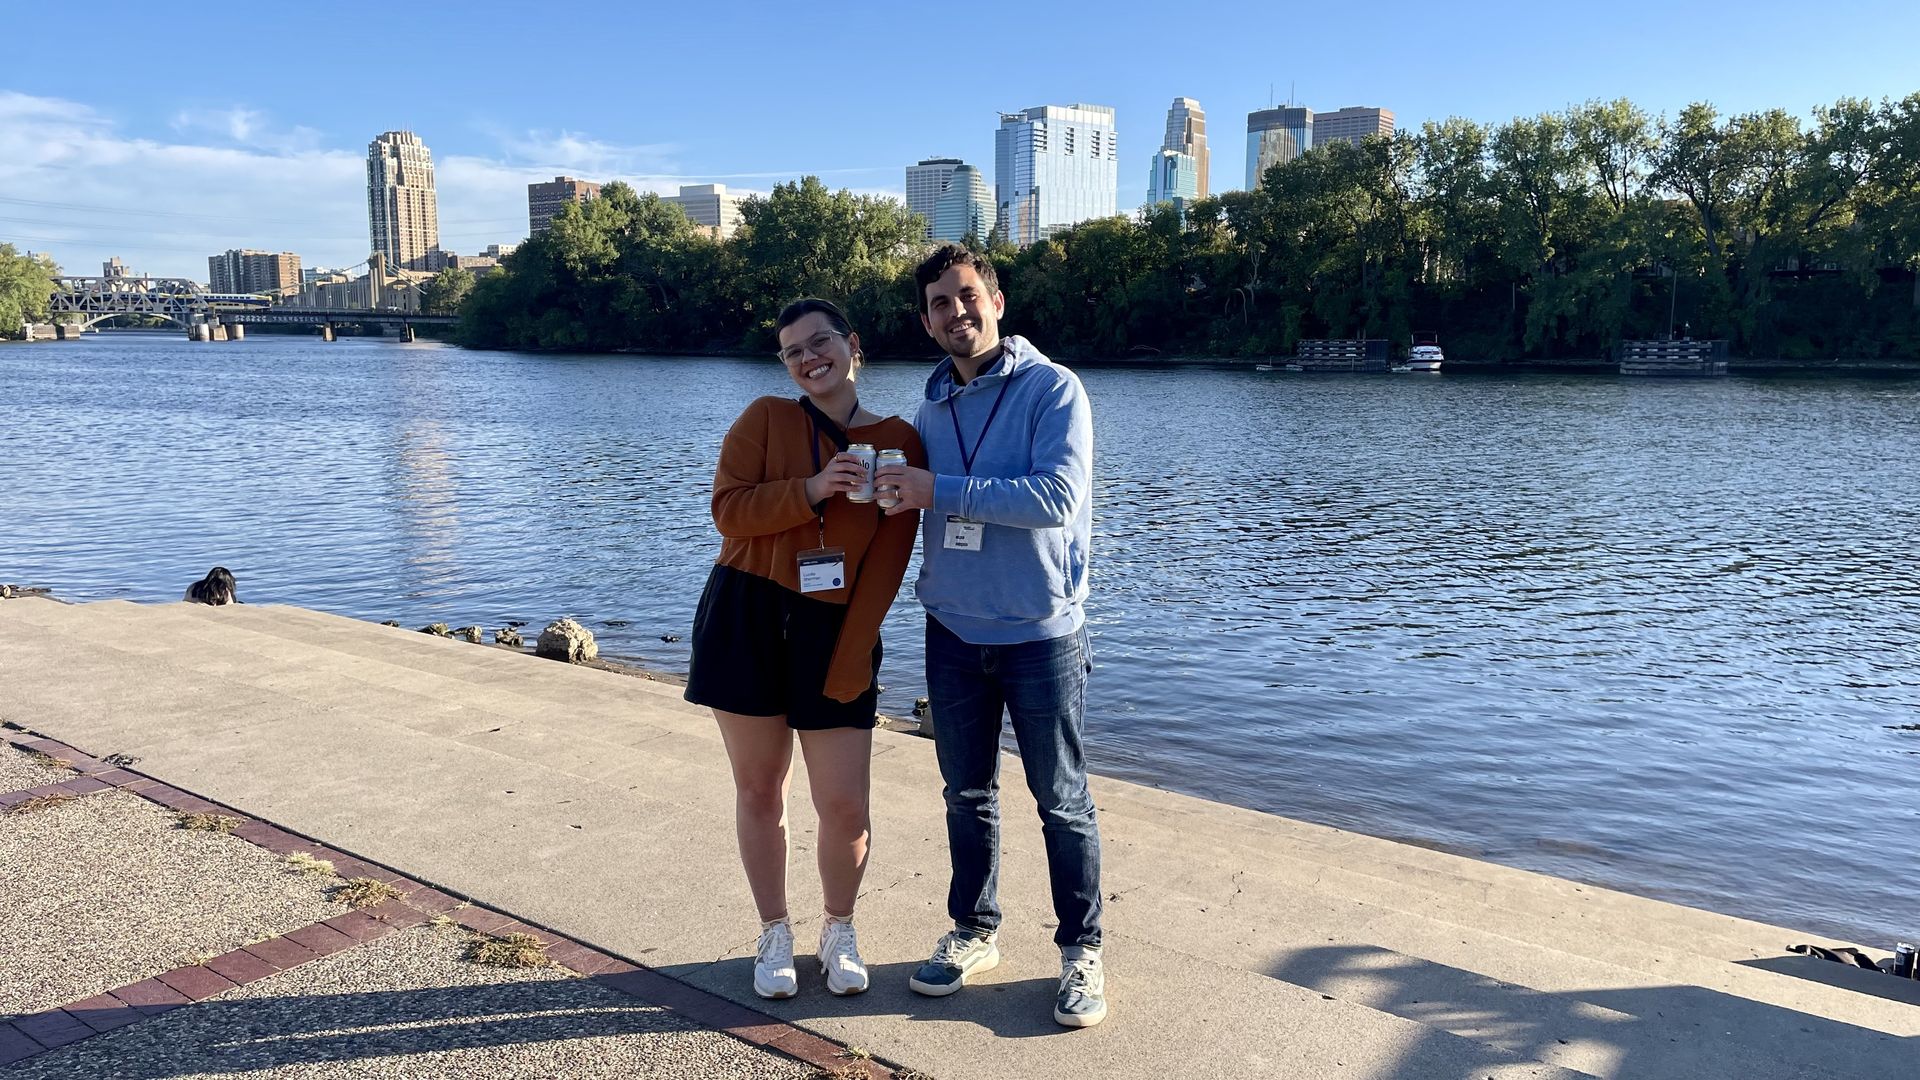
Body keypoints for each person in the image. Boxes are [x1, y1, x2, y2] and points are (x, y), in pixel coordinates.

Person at [872, 245, 1106, 1028]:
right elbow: (914, 500)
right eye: (940, 303)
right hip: (951, 631)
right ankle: (975, 932)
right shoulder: (931, 410)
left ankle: (1081, 951)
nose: (956, 312)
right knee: (965, 796)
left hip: (1041, 633)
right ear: (926, 322)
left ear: (996, 302)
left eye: (967, 296)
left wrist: (937, 488)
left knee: (1061, 801)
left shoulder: (1053, 389)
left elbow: (1056, 498)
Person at [683, 298, 924, 1000]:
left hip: (836, 625)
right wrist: (813, 489)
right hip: (746, 612)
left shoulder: (898, 440)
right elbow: (727, 511)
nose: (809, 358)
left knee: (844, 803)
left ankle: (839, 929)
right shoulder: (765, 418)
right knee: (761, 788)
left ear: (852, 344)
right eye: (793, 351)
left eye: (820, 342)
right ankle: (774, 932)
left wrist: (854, 649)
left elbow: (889, 559)